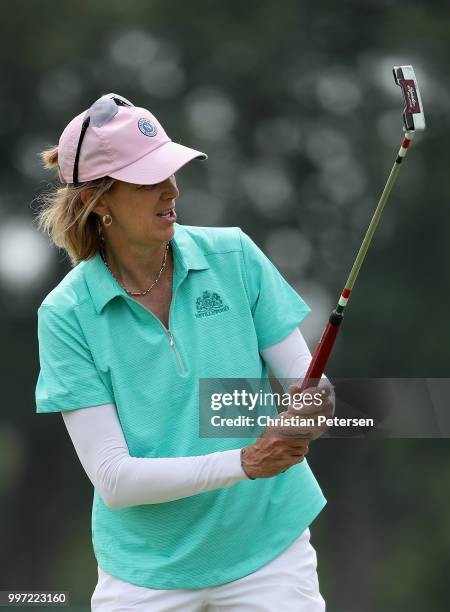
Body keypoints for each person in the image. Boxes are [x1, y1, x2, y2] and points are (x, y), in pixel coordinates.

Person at [34, 93, 334, 611]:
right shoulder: (66, 315)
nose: (172, 190)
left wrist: (314, 406)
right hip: (147, 572)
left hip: (267, 549)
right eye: (149, 179)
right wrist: (244, 461)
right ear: (99, 200)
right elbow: (115, 479)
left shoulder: (235, 255)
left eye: (172, 171)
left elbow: (307, 384)